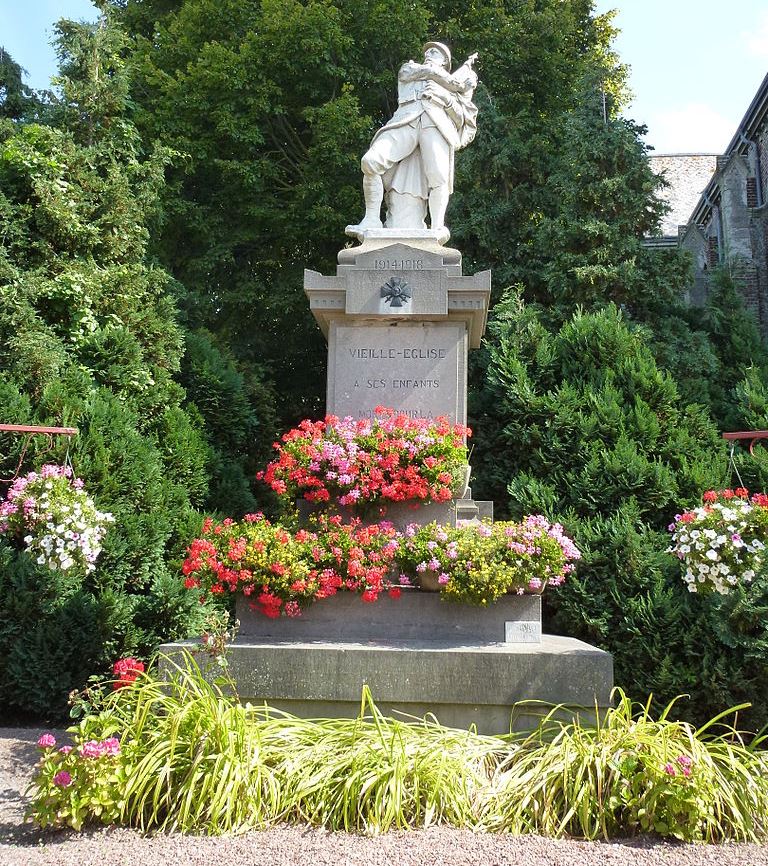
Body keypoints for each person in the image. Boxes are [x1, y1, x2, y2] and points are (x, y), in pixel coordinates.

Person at [349, 42, 479, 239]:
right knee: (370, 162)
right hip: (406, 121)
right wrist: (454, 84)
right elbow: (407, 74)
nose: (429, 53)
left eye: (435, 52)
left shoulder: (452, 89)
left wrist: (447, 99)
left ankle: (437, 227)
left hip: (435, 124)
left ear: (445, 61)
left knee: (439, 177)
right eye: (427, 51)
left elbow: (462, 118)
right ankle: (371, 219)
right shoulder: (412, 68)